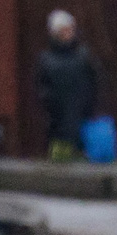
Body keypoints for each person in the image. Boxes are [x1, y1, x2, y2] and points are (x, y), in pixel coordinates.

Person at [35, 10, 101, 161]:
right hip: (57, 120)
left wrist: (91, 106)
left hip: (83, 117)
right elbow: (41, 85)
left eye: (69, 29)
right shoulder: (46, 59)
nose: (67, 33)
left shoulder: (84, 56)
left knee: (84, 160)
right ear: (54, 33)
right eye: (62, 30)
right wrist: (49, 104)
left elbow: (95, 82)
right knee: (59, 161)